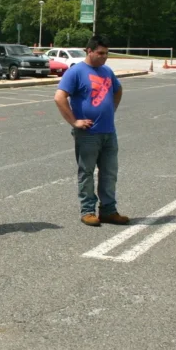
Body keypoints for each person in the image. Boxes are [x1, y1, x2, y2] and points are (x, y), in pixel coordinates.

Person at [53, 35, 128, 227]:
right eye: (100, 53)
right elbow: (59, 97)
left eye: (106, 54)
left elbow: (118, 90)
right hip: (88, 134)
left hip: (108, 132)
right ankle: (87, 210)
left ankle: (109, 210)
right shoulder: (76, 72)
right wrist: (74, 122)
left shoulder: (107, 72)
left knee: (110, 173)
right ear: (89, 50)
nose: (104, 57)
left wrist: (111, 110)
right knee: (86, 172)